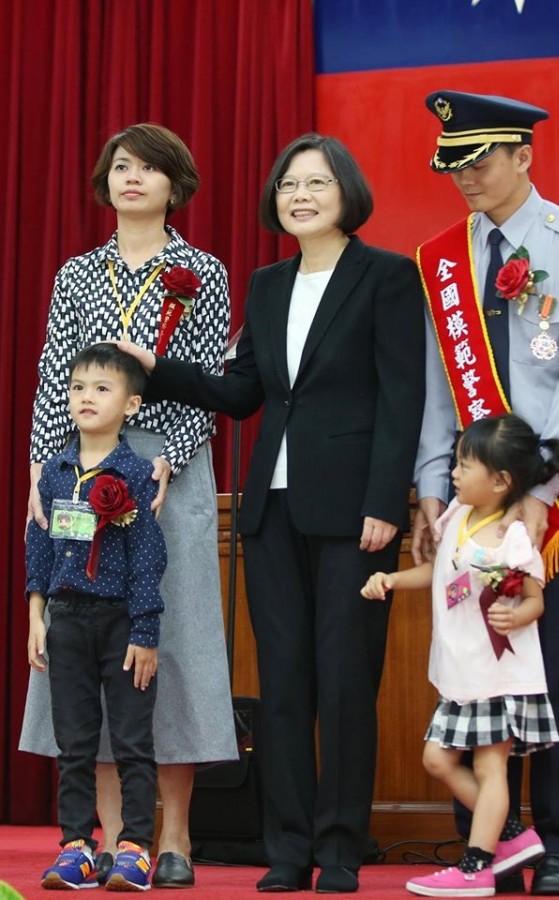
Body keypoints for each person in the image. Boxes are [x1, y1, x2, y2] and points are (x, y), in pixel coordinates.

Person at [118, 132, 426, 893]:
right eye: (289, 185)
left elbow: (402, 396)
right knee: (284, 683)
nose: (301, 196)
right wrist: (161, 371)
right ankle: (287, 848)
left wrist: (386, 501)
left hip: (356, 511)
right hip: (271, 511)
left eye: (316, 183)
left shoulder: (387, 277)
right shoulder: (267, 285)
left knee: (348, 682)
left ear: (346, 192)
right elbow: (244, 393)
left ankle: (342, 850)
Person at [19, 123, 237, 889]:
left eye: (148, 168)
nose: (132, 178)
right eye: (120, 167)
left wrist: (165, 462)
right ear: (104, 183)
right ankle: (107, 838)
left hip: (164, 472)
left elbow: (207, 379)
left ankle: (170, 833)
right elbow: (54, 379)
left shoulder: (201, 270)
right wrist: (45, 477)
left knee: (165, 646)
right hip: (78, 468)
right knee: (86, 640)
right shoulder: (77, 274)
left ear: (176, 184)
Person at [413, 90, 559, 895]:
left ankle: (557, 840)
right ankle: (491, 843)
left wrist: (539, 490)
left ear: (524, 156)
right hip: (472, 498)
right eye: (454, 162)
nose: (467, 177)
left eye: (480, 160)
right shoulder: (442, 260)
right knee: (479, 660)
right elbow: (437, 388)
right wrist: (430, 485)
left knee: (553, 667)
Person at [363, 414, 559, 897]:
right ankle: (514, 839)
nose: (453, 473)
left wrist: (519, 617)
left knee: (489, 768)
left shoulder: (512, 537)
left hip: (499, 674)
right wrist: (392, 580)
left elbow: (536, 599)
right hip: (461, 671)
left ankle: (478, 864)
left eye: (464, 465)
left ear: (501, 481)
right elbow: (440, 573)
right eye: (455, 462)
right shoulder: (457, 514)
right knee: (437, 759)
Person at [27, 344, 167, 891]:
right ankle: (77, 848)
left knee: (133, 742)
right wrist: (38, 618)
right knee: (74, 744)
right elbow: (38, 550)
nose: (87, 397)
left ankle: (134, 847)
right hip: (66, 622)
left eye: (102, 389)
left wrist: (146, 631)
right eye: (78, 387)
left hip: (121, 625)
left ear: (131, 405)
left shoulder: (135, 474)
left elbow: (149, 560)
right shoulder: (56, 473)